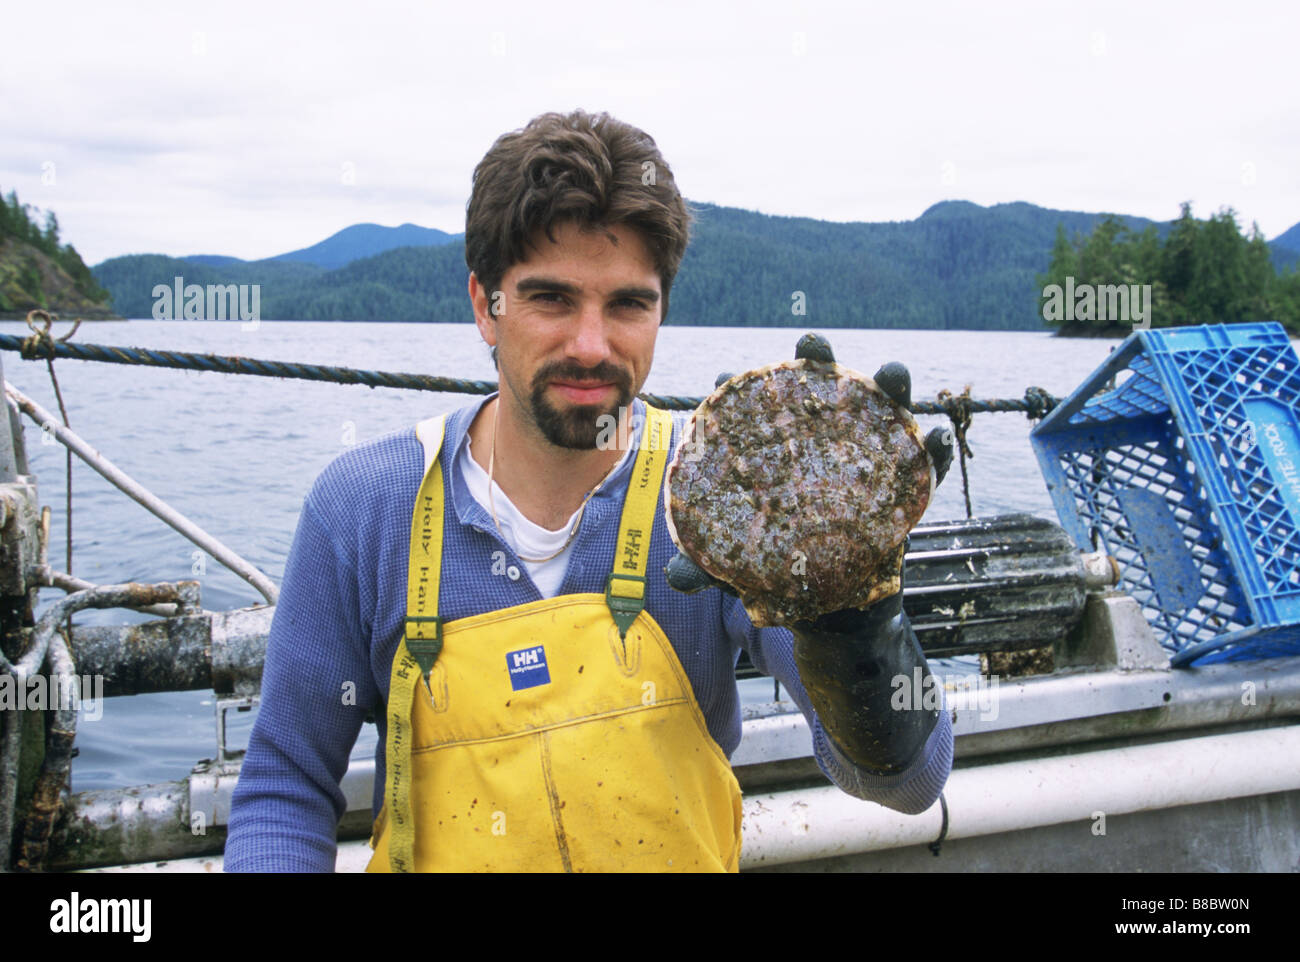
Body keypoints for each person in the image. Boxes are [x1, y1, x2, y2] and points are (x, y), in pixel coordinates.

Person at [225, 109, 954, 873]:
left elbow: (909, 782)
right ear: (485, 305)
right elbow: (285, 786)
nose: (590, 344)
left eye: (628, 304)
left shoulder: (728, 505)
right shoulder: (364, 507)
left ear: (662, 310)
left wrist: (852, 617)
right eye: (551, 299)